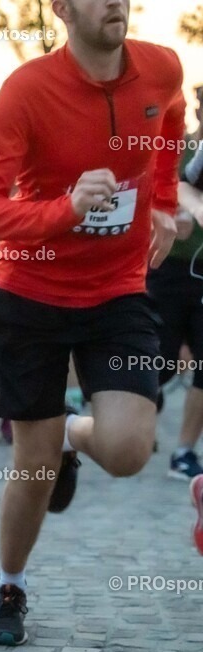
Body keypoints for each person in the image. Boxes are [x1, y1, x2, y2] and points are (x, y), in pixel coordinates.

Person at [0, 0, 184, 645]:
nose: (116, 1)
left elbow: (171, 120)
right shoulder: (28, 91)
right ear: (61, 9)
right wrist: (62, 210)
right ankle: (10, 584)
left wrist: (163, 200)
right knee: (31, 463)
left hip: (117, 289)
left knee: (129, 451)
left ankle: (73, 439)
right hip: (30, 294)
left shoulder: (161, 67)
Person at [149, 91, 203, 479]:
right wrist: (177, 214)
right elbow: (156, 193)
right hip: (168, 269)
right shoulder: (179, 150)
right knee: (163, 360)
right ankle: (137, 407)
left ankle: (184, 452)